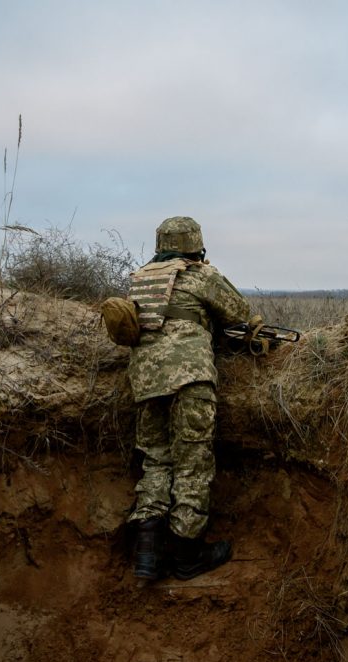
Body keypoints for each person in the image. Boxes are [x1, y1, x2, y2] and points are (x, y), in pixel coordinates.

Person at [126, 216, 252, 582]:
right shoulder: (199, 275)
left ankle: (147, 556)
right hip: (190, 379)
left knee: (156, 460)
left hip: (146, 383)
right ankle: (187, 555)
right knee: (192, 463)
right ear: (196, 243)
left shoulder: (140, 278)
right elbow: (240, 313)